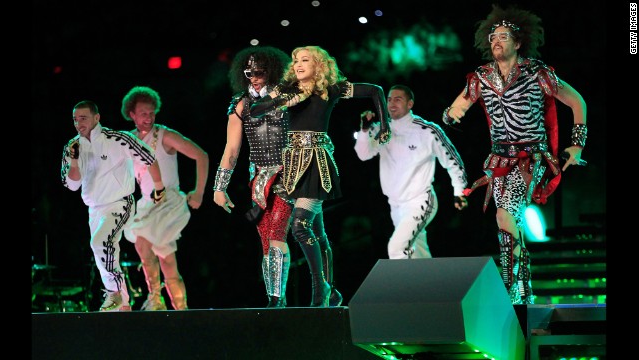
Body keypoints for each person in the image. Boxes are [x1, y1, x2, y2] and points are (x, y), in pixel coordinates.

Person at [442, 4, 587, 305]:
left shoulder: (538, 73)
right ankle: (523, 290)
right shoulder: (481, 77)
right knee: (507, 221)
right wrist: (450, 115)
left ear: (518, 42)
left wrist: (577, 143)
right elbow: (459, 106)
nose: (496, 41)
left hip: (530, 157)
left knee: (504, 215)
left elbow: (576, 102)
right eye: (493, 36)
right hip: (499, 160)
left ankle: (512, 289)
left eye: (504, 36)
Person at [250, 45, 391, 307]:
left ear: (319, 65)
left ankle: (320, 289)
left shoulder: (331, 88)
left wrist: (385, 124)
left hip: (316, 161)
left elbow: (375, 90)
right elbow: (256, 109)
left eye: (305, 60)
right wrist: (280, 100)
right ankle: (332, 292)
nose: (298, 64)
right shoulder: (288, 90)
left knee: (300, 226)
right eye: (295, 61)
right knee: (318, 230)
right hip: (292, 163)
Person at [61, 100, 166, 311]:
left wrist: (159, 187)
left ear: (96, 118)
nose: (78, 123)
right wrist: (74, 160)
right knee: (102, 251)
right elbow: (71, 185)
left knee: (100, 243)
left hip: (120, 203)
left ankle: (114, 293)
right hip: (95, 208)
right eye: (75, 119)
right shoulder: (73, 146)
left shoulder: (118, 138)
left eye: (83, 118)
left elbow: (149, 156)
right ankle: (123, 304)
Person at [212, 46, 296, 308]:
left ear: (272, 70)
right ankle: (275, 298)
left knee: (276, 234)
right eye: (249, 72)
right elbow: (232, 148)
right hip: (259, 179)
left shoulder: (289, 97)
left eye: (259, 72)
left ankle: (277, 299)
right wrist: (219, 187)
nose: (254, 77)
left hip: (290, 174)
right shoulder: (241, 103)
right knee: (265, 239)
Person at [354, 84, 469, 260]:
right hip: (395, 204)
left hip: (421, 201)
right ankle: (432, 285)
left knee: (397, 249)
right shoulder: (381, 130)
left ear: (410, 104)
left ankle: (405, 288)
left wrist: (460, 192)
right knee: (417, 251)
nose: (392, 104)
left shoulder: (427, 130)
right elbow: (363, 154)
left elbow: (453, 160)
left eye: (398, 99)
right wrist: (364, 131)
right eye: (389, 99)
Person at [121, 86, 209, 311]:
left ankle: (156, 299)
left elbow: (201, 155)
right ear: (132, 114)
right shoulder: (129, 140)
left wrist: (198, 192)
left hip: (168, 203)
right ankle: (181, 309)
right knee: (168, 262)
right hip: (148, 204)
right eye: (143, 113)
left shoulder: (165, 135)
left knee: (142, 242)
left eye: (151, 113)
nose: (148, 117)